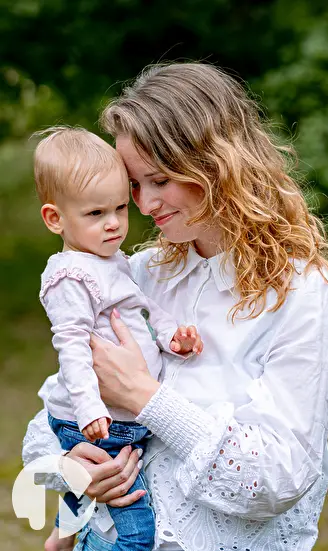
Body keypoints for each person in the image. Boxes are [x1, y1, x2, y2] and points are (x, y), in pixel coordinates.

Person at [22, 63, 328, 551]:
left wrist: (145, 397)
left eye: (159, 179)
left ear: (217, 164)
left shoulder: (307, 294)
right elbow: (48, 424)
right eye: (134, 185)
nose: (144, 204)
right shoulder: (134, 274)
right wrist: (72, 471)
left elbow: (279, 478)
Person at [33, 126, 204, 550]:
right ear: (55, 218)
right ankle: (67, 533)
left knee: (96, 493)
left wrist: (171, 337)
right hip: (97, 422)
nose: (113, 225)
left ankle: (61, 535)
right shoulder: (69, 276)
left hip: (122, 417)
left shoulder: (111, 260)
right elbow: (72, 347)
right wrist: (91, 407)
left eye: (119, 209)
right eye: (95, 214)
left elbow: (143, 309)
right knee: (134, 528)